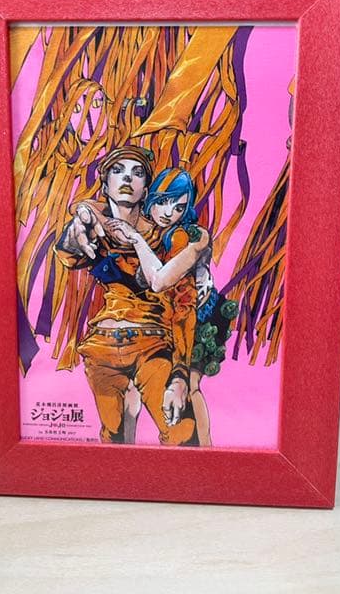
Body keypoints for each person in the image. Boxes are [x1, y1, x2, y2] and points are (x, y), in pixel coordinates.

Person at [54, 146, 197, 446]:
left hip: (152, 346)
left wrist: (180, 374)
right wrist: (80, 217)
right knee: (112, 440)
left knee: (181, 433)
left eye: (137, 172)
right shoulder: (92, 228)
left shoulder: (166, 235)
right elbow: (68, 254)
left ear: (146, 190)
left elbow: (184, 306)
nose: (127, 178)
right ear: (105, 185)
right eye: (118, 171)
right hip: (102, 350)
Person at [108, 168, 237, 447]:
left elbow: (160, 282)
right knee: (133, 388)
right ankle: (123, 452)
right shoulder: (153, 230)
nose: (169, 212)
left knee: (190, 386)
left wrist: (136, 239)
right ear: (152, 197)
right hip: (167, 317)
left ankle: (205, 452)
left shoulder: (187, 236)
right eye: (164, 201)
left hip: (198, 316)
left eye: (179, 207)